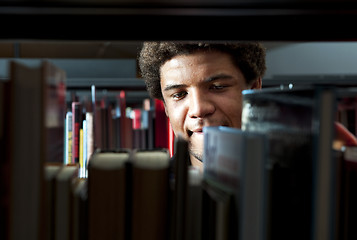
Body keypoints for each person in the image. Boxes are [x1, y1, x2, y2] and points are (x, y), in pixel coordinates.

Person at [138, 42, 266, 171]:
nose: (198, 109)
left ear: (254, 89)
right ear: (166, 107)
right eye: (179, 94)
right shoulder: (147, 190)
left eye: (218, 87)